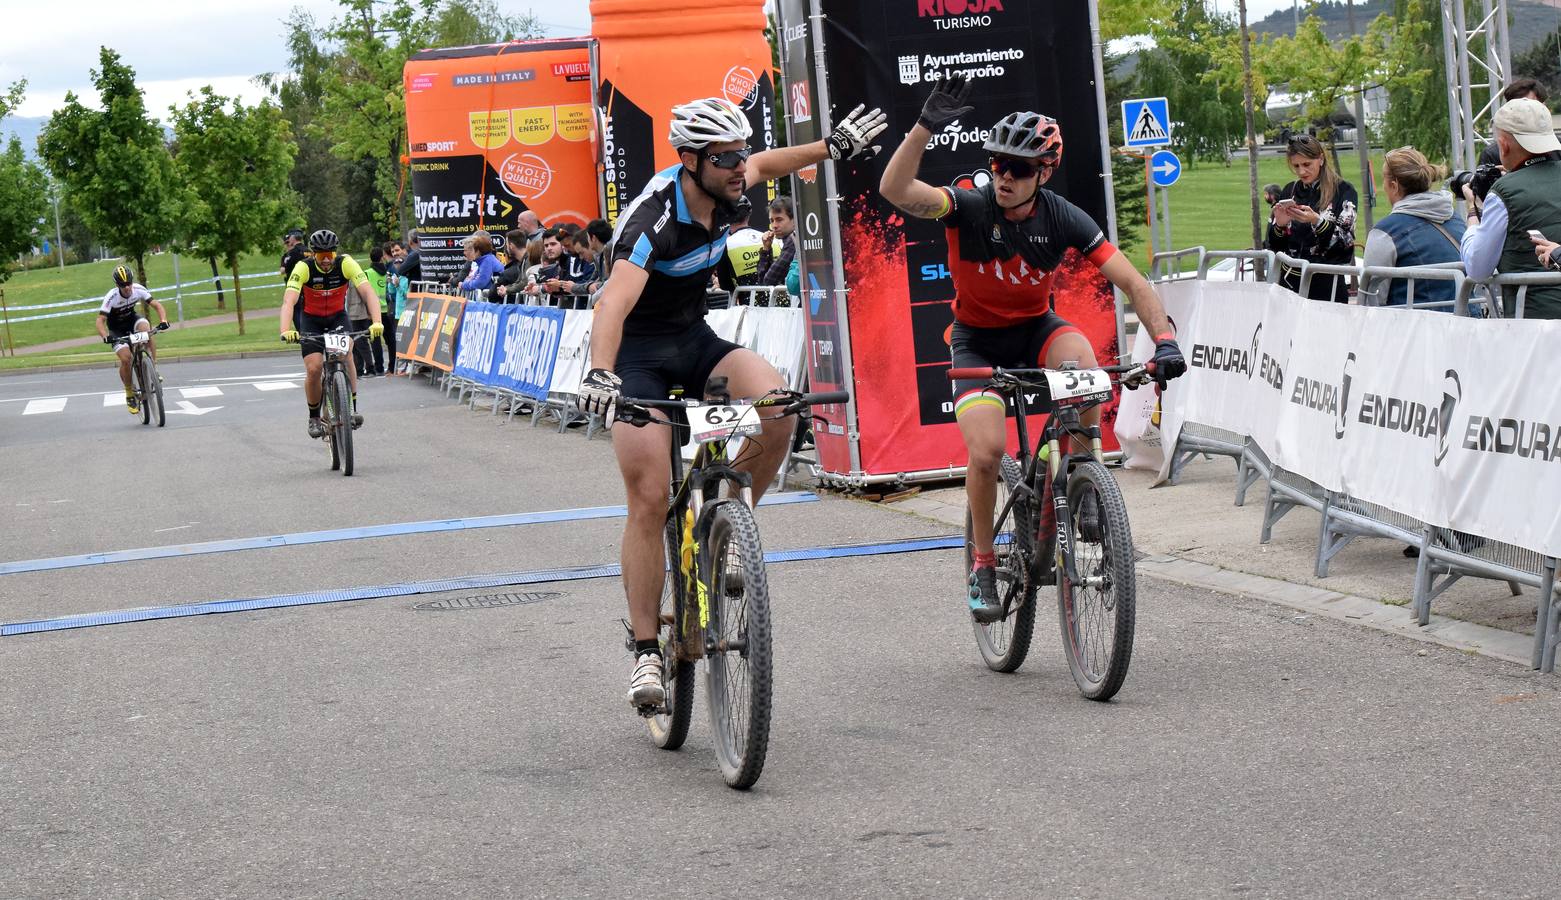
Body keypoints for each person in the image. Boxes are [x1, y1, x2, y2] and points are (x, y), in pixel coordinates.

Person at [577, 95, 887, 708]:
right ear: (691, 161)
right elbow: (612, 304)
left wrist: (833, 147)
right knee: (648, 498)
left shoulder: (731, 188)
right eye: (727, 157)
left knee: (780, 404)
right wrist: (601, 374)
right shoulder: (651, 222)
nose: (740, 166)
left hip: (695, 340)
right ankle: (644, 652)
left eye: (740, 153)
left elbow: (769, 163)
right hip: (638, 357)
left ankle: (731, 520)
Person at [878, 73, 1186, 624]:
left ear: (1043, 172)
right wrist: (925, 126)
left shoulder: (1062, 216)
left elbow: (1136, 284)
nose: (1003, 176)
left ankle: (1081, 473)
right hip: (977, 343)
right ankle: (983, 561)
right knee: (989, 451)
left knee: (1086, 370)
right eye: (997, 163)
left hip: (1036, 329)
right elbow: (897, 192)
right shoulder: (969, 208)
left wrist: (1164, 341)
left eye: (1017, 169)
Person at [1460, 97, 1561, 319]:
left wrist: (1472, 214)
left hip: (1535, 321)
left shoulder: (1504, 191)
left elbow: (1478, 267)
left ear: (1503, 145)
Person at [278, 229, 384, 436]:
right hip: (311, 321)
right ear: (313, 254)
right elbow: (289, 300)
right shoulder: (303, 267)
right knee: (314, 368)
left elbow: (368, 292)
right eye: (321, 255)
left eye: (330, 254)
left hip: (337, 317)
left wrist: (377, 322)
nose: (326, 259)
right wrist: (285, 330)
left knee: (345, 355)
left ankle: (351, 408)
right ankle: (314, 417)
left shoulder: (346, 263)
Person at [1361, 147, 1466, 309]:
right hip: (1468, 321)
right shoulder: (1457, 220)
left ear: (1394, 186)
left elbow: (1371, 300)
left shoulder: (1385, 232)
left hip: (1414, 328)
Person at [1265, 134, 1359, 303]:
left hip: (1327, 287)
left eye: (1307, 164)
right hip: (1288, 288)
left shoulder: (1344, 191)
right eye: (1296, 166)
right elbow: (1273, 246)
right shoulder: (1289, 190)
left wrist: (1317, 221)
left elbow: (1345, 245)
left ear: (1321, 159)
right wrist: (1279, 226)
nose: (1301, 171)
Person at [96, 265, 170, 414]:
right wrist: (105, 337)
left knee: (147, 330)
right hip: (116, 329)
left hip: (132, 320)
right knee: (126, 359)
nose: (128, 287)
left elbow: (156, 305)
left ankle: (153, 368)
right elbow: (100, 320)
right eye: (123, 285)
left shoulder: (138, 289)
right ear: (117, 285)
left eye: (129, 283)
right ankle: (129, 393)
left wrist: (163, 320)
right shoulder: (111, 297)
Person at [1480, 78, 1548, 169]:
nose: (1529, 111)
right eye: (1520, 107)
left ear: (1544, 106)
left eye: (1534, 106)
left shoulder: (1558, 147)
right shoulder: (1492, 153)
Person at [362, 246, 390, 374]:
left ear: (370, 258)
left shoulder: (367, 273)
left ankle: (379, 367)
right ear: (382, 257)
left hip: (372, 312)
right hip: (386, 310)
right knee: (390, 340)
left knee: (375, 341)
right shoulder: (387, 272)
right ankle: (392, 365)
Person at [757, 197, 797, 287]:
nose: (774, 225)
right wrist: (766, 248)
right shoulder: (790, 239)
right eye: (772, 220)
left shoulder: (793, 240)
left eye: (779, 220)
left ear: (794, 220)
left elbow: (768, 281)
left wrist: (765, 252)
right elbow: (765, 283)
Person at [490, 229, 529, 302]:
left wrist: (507, 289)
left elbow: (525, 283)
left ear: (511, 246)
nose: (506, 248)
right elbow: (518, 282)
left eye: (507, 245)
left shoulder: (528, 259)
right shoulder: (522, 261)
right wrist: (506, 288)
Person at [382, 241, 404, 374]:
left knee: (397, 337)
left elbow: (399, 289)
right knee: (394, 337)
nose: (395, 253)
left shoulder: (392, 267)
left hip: (396, 306)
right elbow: (391, 287)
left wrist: (393, 288)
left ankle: (396, 366)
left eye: (397, 250)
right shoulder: (390, 268)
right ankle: (394, 366)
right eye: (393, 251)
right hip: (393, 306)